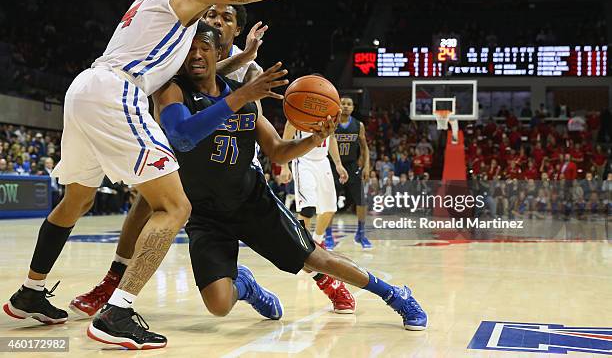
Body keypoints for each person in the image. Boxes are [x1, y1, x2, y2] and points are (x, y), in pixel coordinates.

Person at [3, 0, 339, 350]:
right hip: (117, 93)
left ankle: (30, 293)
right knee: (176, 205)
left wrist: (245, 58)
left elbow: (192, 69)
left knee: (77, 200)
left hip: (85, 88)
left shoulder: (149, 3)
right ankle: (118, 313)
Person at [73, 24, 427, 334]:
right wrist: (243, 94)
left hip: (250, 201)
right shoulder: (173, 92)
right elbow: (181, 135)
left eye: (204, 48)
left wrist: (313, 139)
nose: (196, 55)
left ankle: (394, 294)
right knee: (219, 304)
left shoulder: (244, 99)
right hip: (204, 214)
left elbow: (276, 150)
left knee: (317, 259)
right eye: (190, 50)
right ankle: (247, 286)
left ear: (216, 53)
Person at [279, 118, 348, 251]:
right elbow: (286, 137)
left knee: (329, 208)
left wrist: (338, 164)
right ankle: (303, 248)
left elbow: (331, 137)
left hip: (323, 161)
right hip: (303, 160)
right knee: (307, 208)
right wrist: (284, 165)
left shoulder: (329, 110)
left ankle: (317, 244)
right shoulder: (299, 110)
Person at [333, 96, 372, 249]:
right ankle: (328, 235)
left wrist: (367, 166)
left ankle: (361, 234)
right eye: (343, 103)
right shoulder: (332, 122)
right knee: (330, 203)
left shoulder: (358, 125)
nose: (346, 106)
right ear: (339, 106)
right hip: (333, 166)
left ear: (353, 107)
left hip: (351, 165)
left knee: (361, 200)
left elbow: (364, 147)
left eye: (349, 104)